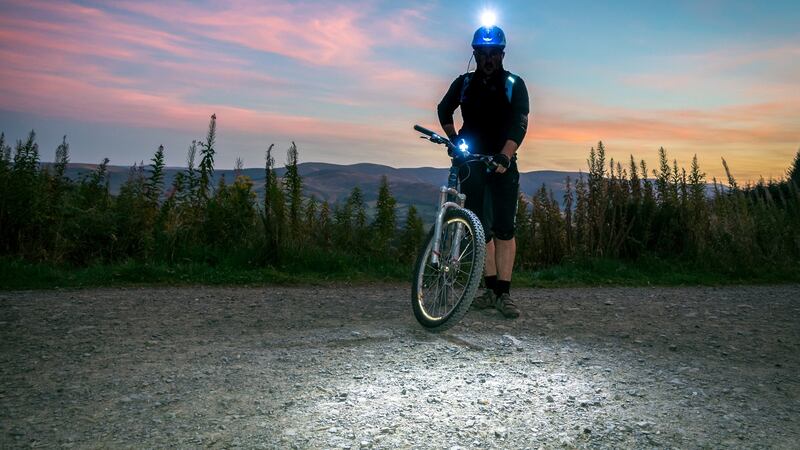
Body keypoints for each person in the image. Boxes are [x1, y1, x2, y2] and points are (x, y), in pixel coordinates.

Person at [437, 24, 530, 318]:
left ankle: (505, 292)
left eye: (494, 53)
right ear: (475, 54)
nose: (488, 59)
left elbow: (519, 123)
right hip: (471, 163)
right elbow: (443, 109)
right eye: (482, 53)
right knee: (480, 228)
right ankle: (490, 291)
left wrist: (506, 155)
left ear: (502, 54)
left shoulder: (514, 84)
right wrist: (454, 139)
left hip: (503, 164)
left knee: (504, 228)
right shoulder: (464, 83)